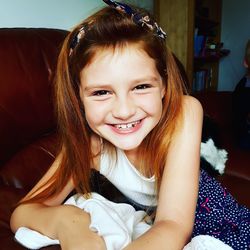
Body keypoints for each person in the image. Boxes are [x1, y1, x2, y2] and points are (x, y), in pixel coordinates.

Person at [10, 1, 250, 249]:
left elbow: (173, 225)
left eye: (141, 87)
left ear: (164, 86)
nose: (124, 111)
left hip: (222, 227)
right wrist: (68, 221)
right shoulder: (90, 145)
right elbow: (23, 213)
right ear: (78, 97)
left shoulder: (185, 111)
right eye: (102, 92)